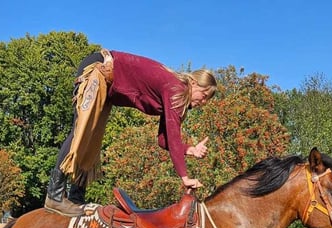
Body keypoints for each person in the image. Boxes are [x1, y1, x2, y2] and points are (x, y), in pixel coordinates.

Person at [45, 49, 218, 215]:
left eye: (207, 100)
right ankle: (55, 195)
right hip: (100, 68)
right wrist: (184, 177)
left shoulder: (177, 97)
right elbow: (172, 139)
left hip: (109, 87)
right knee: (83, 131)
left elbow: (164, 141)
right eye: (203, 95)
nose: (203, 102)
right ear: (193, 83)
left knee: (93, 139)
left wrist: (190, 149)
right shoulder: (177, 89)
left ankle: (76, 197)